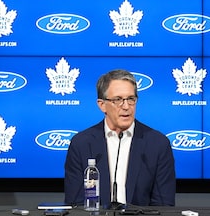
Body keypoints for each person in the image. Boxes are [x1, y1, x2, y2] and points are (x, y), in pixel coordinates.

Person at [64, 69, 176, 208]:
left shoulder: (157, 144)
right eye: (118, 100)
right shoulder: (82, 144)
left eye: (131, 99)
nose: (126, 106)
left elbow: (164, 206)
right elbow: (75, 204)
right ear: (102, 105)